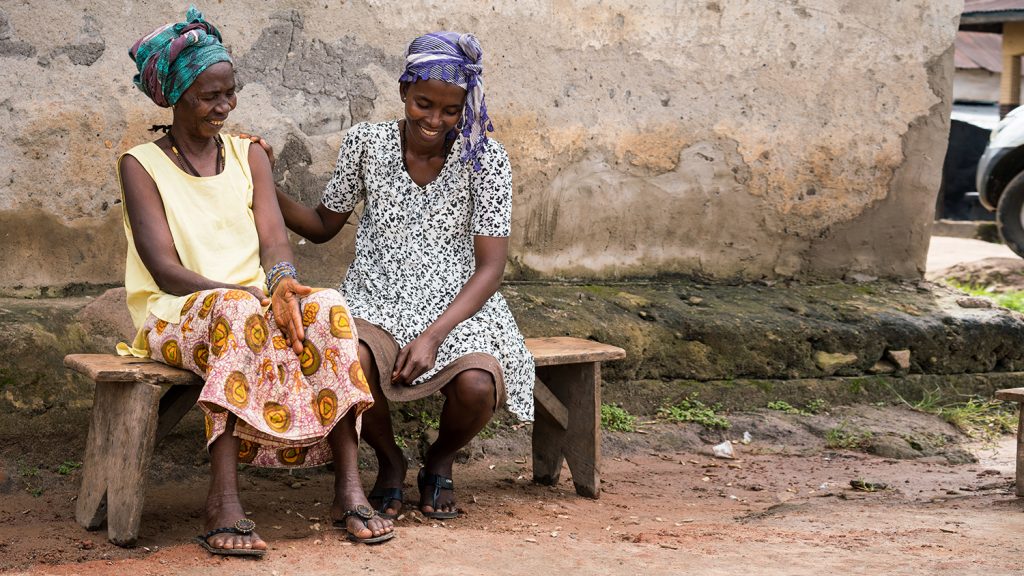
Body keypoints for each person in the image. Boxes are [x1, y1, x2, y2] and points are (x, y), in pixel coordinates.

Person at [117, 6, 393, 555]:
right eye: (208, 96)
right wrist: (242, 297)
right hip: (176, 312)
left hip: (250, 306)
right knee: (239, 316)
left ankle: (349, 487)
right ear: (175, 96)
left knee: (329, 306)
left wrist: (285, 286)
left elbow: (274, 241)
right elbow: (163, 267)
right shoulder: (140, 163)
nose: (224, 106)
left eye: (230, 92)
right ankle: (223, 500)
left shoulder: (249, 155)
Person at [273, 31, 535, 520]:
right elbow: (323, 225)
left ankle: (440, 459)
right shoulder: (366, 144)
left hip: (456, 308)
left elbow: (491, 266)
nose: (434, 120)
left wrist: (435, 335)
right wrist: (263, 185)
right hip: (374, 297)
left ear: (464, 108)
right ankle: (390, 461)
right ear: (402, 91)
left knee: (478, 386)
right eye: (423, 104)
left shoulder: (486, 160)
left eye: (450, 110)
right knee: (350, 361)